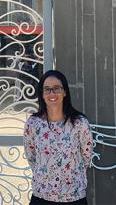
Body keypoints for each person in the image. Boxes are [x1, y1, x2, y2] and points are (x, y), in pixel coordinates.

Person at [23, 70, 93, 204]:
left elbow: (86, 156)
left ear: (65, 92)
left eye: (57, 88)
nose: (52, 93)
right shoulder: (33, 123)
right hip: (42, 196)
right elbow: (31, 155)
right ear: (42, 94)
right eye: (47, 89)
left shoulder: (80, 123)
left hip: (73, 196)